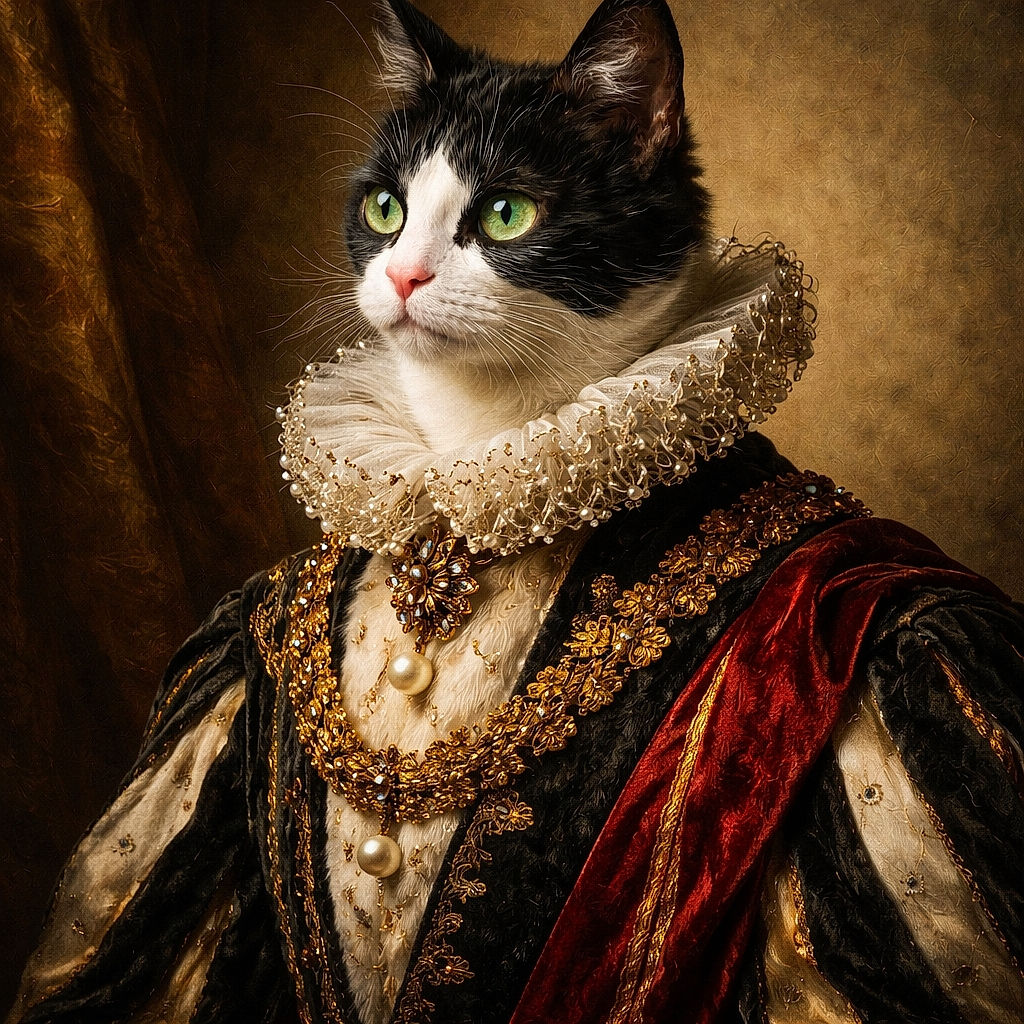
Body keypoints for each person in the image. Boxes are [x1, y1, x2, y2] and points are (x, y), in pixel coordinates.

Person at [9, 1, 1023, 1022]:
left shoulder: (839, 629)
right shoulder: (286, 620)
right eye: (388, 212)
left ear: (640, 133)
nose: (405, 269)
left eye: (499, 216)